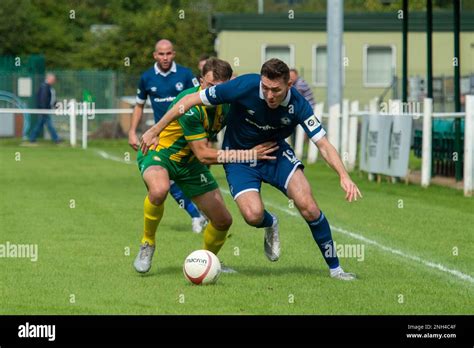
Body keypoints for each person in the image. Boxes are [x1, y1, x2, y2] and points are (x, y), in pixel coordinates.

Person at [141, 58, 363, 281]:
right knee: (252, 215)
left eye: (276, 90)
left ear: (289, 85)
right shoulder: (244, 86)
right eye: (265, 88)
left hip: (274, 153)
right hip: (239, 158)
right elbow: (189, 100)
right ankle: (270, 223)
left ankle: (336, 269)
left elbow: (323, 144)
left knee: (309, 207)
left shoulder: (299, 105)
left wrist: (344, 176)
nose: (269, 95)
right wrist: (156, 129)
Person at [134, 58, 277, 273]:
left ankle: (207, 263)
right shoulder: (192, 106)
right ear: (201, 81)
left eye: (220, 88)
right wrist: (248, 154)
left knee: (222, 221)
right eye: (209, 86)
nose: (213, 93)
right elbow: (203, 155)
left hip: (190, 165)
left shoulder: (229, 103)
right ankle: (147, 243)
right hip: (160, 154)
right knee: (160, 189)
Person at [128, 39, 207, 233]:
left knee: (195, 176)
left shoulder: (186, 74)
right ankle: (196, 216)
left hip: (189, 135)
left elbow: (201, 97)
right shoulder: (147, 77)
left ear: (174, 54)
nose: (165, 57)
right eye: (161, 54)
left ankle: (206, 213)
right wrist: (132, 131)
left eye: (169, 53)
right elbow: (139, 105)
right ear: (155, 55)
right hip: (161, 138)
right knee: (166, 183)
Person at [29, 73, 61, 144]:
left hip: (46, 110)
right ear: (49, 79)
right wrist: (44, 109)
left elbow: (51, 99)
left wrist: (56, 105)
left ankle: (32, 138)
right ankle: (56, 139)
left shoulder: (48, 87)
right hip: (45, 110)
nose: (54, 81)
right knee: (49, 125)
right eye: (53, 79)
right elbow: (43, 99)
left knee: (39, 124)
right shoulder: (44, 87)